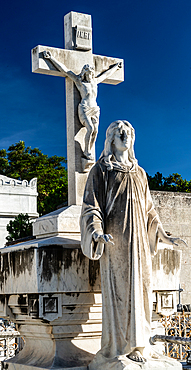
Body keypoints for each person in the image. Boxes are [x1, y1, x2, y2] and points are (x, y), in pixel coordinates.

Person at [80, 120, 185, 368]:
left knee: (142, 290)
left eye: (128, 131)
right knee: (122, 292)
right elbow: (91, 207)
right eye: (119, 131)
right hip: (116, 242)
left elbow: (150, 211)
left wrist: (163, 236)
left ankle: (141, 342)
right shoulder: (101, 170)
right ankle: (121, 346)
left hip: (139, 241)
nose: (125, 134)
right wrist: (96, 232)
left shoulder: (140, 173)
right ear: (111, 139)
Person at [43, 51, 121, 160]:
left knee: (95, 131)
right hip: (85, 108)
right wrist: (51, 58)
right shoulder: (79, 82)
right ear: (84, 73)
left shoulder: (95, 81)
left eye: (91, 73)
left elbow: (106, 74)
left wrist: (116, 67)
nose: (89, 75)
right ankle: (86, 151)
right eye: (87, 73)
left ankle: (89, 149)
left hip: (95, 109)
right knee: (90, 128)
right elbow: (65, 70)